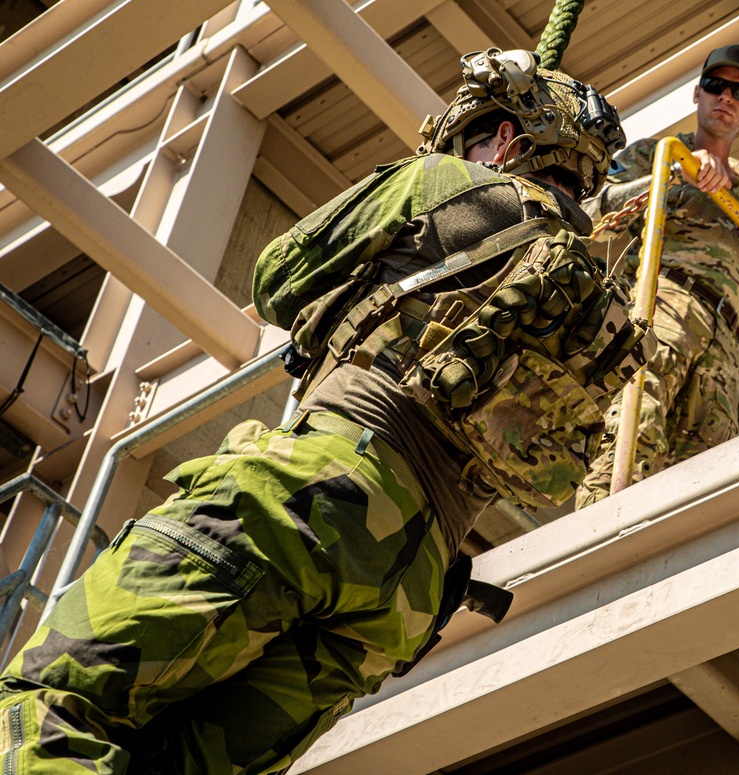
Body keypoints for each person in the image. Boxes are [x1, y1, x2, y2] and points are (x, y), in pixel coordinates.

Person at [0, 49, 643, 774]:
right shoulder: (595, 301)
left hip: (316, 496)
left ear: (505, 144)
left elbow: (277, 280)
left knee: (54, 703)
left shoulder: (446, 181)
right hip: (408, 593)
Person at [576, 43, 739, 508]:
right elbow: (590, 214)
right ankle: (601, 534)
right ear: (697, 94)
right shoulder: (661, 154)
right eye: (716, 86)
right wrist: (677, 173)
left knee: (708, 469)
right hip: (663, 305)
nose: (726, 97)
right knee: (638, 422)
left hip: (723, 340)